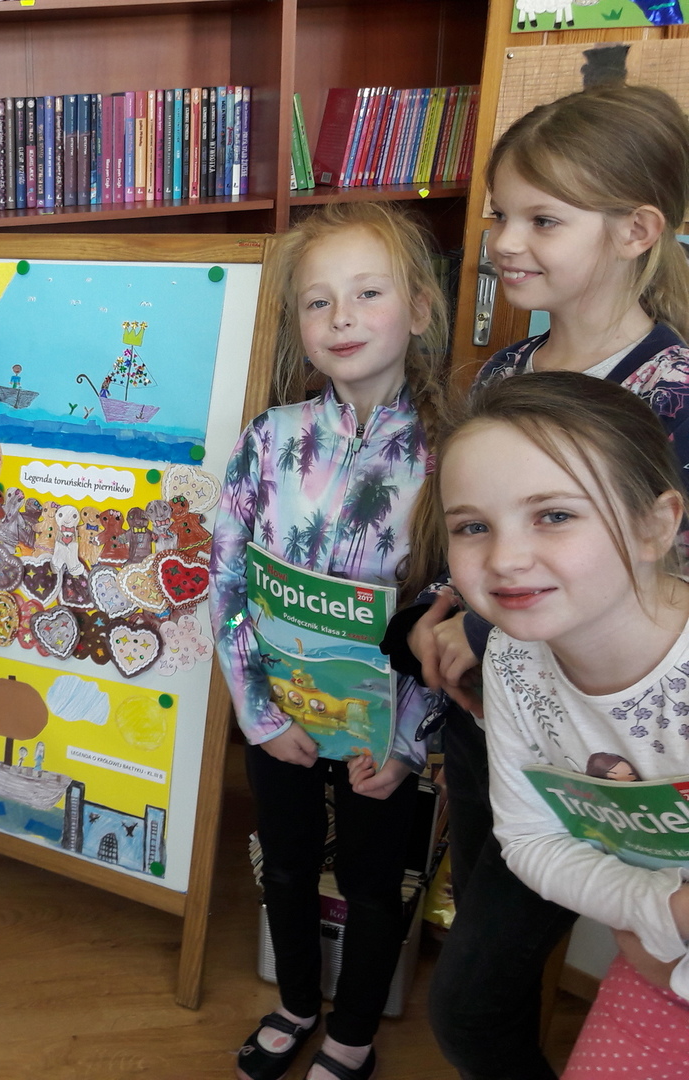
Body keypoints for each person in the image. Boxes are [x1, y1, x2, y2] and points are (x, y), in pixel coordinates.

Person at [381, 83, 689, 1080]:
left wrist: (476, 629)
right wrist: (440, 611)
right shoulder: (505, 365)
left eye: (542, 219)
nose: (505, 242)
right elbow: (472, 525)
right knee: (491, 935)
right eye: (500, 215)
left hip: (620, 745)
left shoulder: (675, 393)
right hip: (501, 725)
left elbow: (652, 576)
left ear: (637, 231)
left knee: (474, 998)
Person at [208, 201, 447, 1080]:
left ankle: (351, 1033)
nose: (342, 317)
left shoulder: (451, 453)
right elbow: (226, 582)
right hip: (281, 714)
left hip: (386, 733)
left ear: (419, 308)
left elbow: (451, 610)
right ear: (299, 323)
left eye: (368, 292)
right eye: (319, 301)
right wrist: (259, 714)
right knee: (286, 865)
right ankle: (298, 1003)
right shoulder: (270, 439)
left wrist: (409, 743)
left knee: (375, 885)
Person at [436, 372, 689, 1078]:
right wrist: (657, 913)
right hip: (656, 961)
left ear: (654, 525)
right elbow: (530, 840)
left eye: (553, 515)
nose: (506, 559)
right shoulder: (514, 658)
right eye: (473, 527)